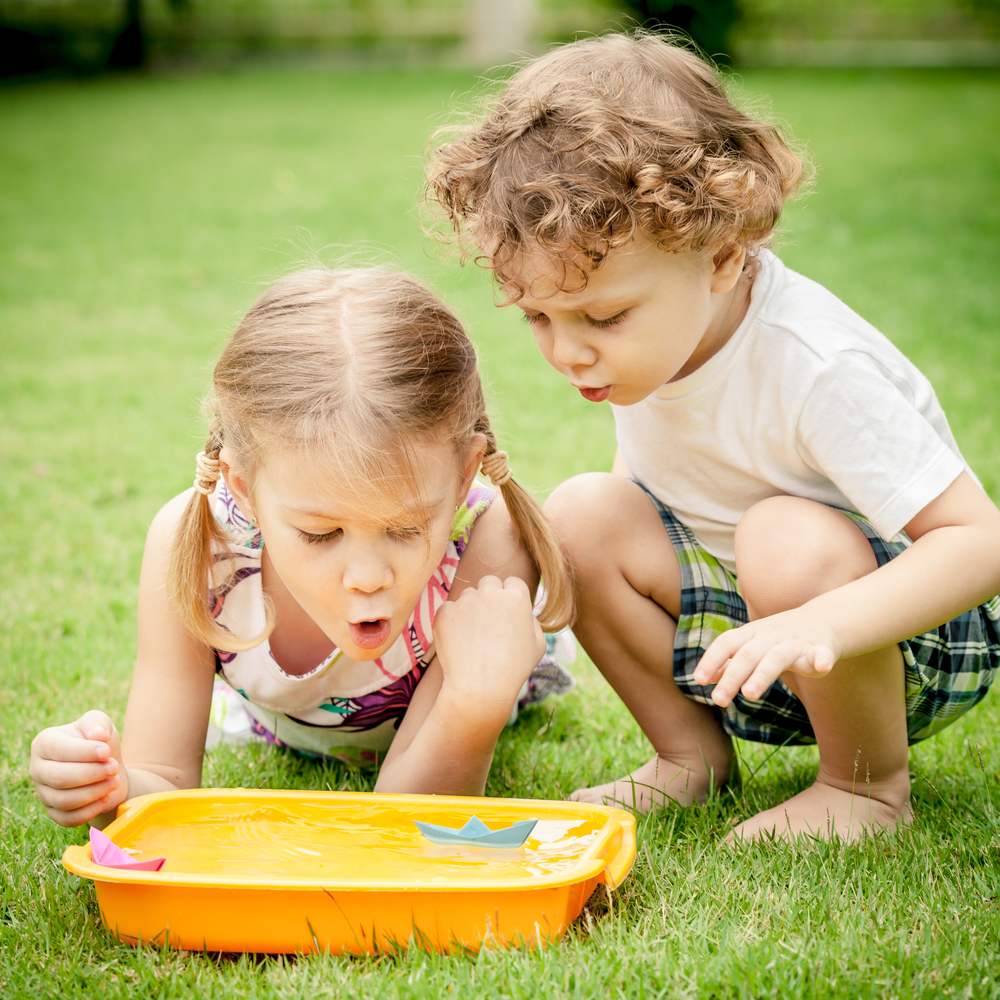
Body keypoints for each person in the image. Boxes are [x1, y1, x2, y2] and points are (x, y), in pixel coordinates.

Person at [426, 32, 1000, 841]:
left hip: (897, 639)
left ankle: (867, 786)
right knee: (585, 512)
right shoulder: (656, 341)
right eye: (536, 317)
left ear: (724, 257)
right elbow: (648, 503)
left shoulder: (813, 362)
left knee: (783, 536)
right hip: (750, 637)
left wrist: (823, 624)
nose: (568, 351)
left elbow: (979, 545)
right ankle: (689, 758)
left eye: (602, 316)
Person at [29, 268, 573, 828]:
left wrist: (475, 703)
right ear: (244, 488)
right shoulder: (198, 550)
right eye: (321, 534)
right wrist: (107, 786)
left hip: (477, 679)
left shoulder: (488, 540)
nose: (366, 577)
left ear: (462, 478)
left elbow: (405, 829)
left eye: (406, 529)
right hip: (289, 723)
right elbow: (161, 782)